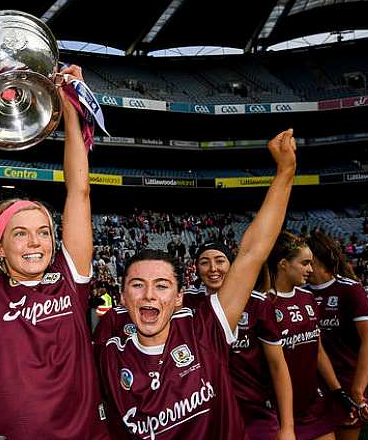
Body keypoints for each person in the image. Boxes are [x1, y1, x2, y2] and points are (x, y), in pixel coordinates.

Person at [0, 58, 108, 439]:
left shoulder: (70, 280)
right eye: (21, 234)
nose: (35, 243)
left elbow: (80, 190)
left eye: (43, 232)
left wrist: (72, 109)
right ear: (1, 245)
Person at [98, 129, 296, 440]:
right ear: (123, 295)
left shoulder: (205, 328)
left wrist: (285, 173)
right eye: (137, 284)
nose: (149, 293)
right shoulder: (108, 349)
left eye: (162, 285)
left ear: (179, 297)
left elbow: (252, 252)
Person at [194, 242, 295, 440]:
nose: (213, 268)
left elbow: (278, 366)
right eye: (204, 262)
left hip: (254, 412)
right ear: (196, 268)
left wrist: (287, 427)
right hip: (207, 415)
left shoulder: (258, 303)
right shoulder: (187, 302)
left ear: (232, 265)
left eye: (220, 261)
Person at [265, 232, 351, 440]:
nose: (311, 270)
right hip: (276, 409)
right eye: (305, 263)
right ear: (283, 264)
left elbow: (318, 349)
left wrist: (338, 391)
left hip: (311, 403)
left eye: (311, 263)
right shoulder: (263, 302)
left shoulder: (307, 297)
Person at [305, 232, 368, 439]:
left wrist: (357, 389)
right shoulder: (301, 292)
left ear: (317, 258)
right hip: (311, 383)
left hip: (346, 380)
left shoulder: (349, 289)